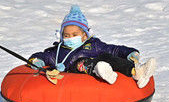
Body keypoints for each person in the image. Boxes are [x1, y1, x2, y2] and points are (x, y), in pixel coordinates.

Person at [28, 6, 156, 88]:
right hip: (73, 77)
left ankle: (137, 72)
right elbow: (43, 56)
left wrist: (129, 52)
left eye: (74, 34)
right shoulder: (58, 51)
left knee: (107, 56)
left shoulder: (93, 45)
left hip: (94, 74)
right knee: (81, 62)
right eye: (66, 35)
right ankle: (100, 69)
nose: (70, 38)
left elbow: (113, 49)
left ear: (84, 35)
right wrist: (36, 60)